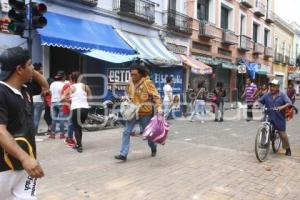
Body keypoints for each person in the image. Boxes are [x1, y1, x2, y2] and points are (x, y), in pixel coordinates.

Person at [0, 47, 45, 199]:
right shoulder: (1, 92)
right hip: (5, 167)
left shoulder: (25, 90)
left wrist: (28, 159)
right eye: (30, 64)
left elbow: (45, 84)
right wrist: (24, 158)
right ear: (19, 69)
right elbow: (0, 131)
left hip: (27, 163)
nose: (34, 69)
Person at [115, 62, 162, 161]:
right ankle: (123, 154)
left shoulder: (147, 83)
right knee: (126, 132)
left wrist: (159, 108)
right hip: (132, 112)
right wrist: (126, 99)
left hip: (144, 113)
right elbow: (128, 94)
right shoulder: (130, 82)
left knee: (148, 134)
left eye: (135, 74)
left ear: (140, 74)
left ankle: (153, 147)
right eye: (131, 74)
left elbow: (156, 96)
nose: (133, 76)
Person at [259, 79, 292, 156]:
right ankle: (264, 143)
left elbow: (289, 103)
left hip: (279, 117)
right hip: (268, 116)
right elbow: (260, 101)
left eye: (274, 86)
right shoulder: (267, 95)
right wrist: (259, 105)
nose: (272, 88)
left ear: (278, 87)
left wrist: (282, 107)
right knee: (263, 128)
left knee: (282, 134)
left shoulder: (282, 95)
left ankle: (288, 149)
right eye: (271, 86)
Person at [62, 71, 91, 153]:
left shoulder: (71, 87)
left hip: (76, 109)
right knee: (79, 127)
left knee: (76, 128)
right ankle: (79, 144)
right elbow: (90, 98)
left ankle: (79, 145)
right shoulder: (86, 86)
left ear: (73, 78)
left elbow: (62, 98)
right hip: (85, 109)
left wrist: (68, 99)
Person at [27, 63, 45, 136]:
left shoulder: (29, 76)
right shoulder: (39, 77)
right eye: (41, 68)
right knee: (36, 118)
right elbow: (44, 88)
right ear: (39, 68)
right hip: (38, 99)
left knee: (31, 117)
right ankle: (34, 133)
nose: (42, 70)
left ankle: (30, 132)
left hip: (30, 98)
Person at [49, 70, 66, 139]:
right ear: (63, 77)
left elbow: (50, 93)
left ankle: (53, 134)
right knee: (61, 119)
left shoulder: (52, 84)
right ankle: (62, 134)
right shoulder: (63, 85)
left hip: (53, 102)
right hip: (61, 102)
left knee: (54, 119)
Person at [61, 74, 76, 147]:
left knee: (72, 124)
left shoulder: (75, 86)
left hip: (73, 108)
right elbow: (63, 98)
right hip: (68, 108)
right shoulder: (67, 86)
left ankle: (69, 138)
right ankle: (69, 139)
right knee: (70, 124)